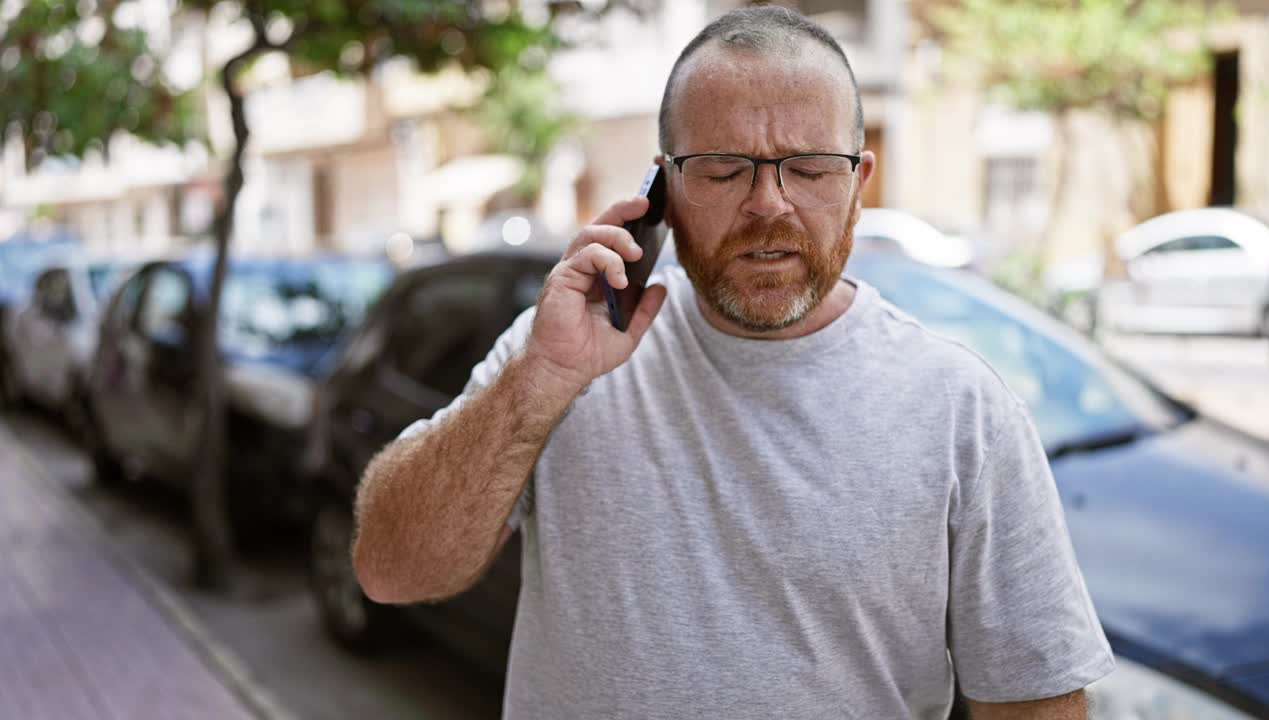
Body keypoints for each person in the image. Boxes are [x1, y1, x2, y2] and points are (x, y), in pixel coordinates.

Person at [351, 6, 1114, 718]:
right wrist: (539, 383)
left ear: (858, 187)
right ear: (664, 189)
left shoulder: (962, 410)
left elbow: (1034, 701)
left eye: (810, 169)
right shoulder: (557, 357)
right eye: (722, 170)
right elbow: (390, 569)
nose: (770, 205)